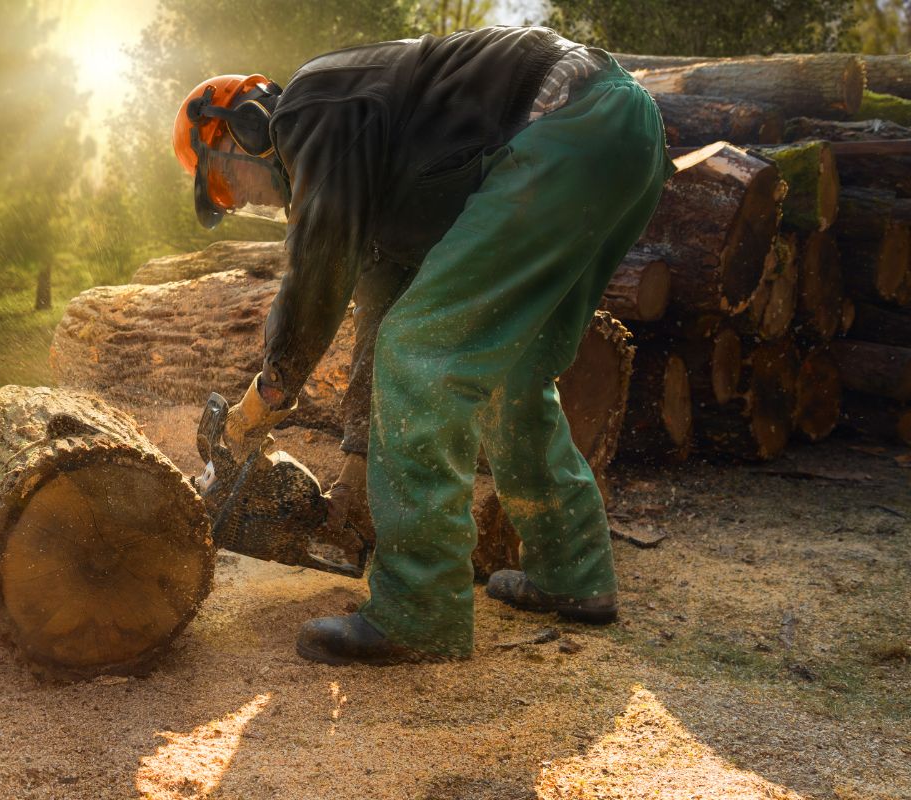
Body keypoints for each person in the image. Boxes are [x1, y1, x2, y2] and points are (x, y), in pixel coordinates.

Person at [172, 26, 674, 666]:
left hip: (565, 127)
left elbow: (319, 267)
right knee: (513, 375)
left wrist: (272, 389)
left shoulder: (310, 107)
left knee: (425, 350)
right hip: (623, 135)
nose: (242, 199)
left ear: (242, 127)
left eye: (225, 184)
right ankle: (573, 573)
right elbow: (378, 323)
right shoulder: (386, 174)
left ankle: (420, 608)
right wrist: (355, 466)